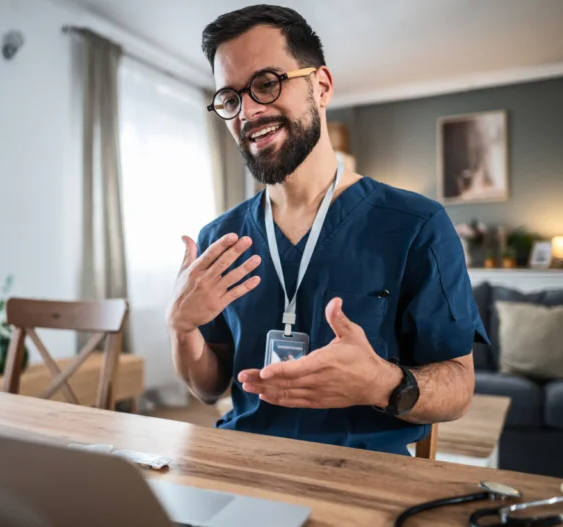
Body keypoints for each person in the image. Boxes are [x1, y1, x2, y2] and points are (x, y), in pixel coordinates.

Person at [165, 5, 489, 456]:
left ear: (321, 86)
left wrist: (383, 383)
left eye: (266, 83)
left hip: (361, 478)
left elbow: (459, 387)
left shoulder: (417, 226)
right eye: (231, 99)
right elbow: (209, 388)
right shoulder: (220, 238)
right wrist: (182, 330)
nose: (249, 112)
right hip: (242, 465)